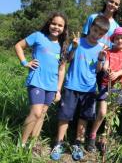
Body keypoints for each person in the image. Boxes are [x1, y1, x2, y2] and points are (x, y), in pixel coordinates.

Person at [50, 15, 110, 161]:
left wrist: (101, 58)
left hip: (89, 88)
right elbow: (68, 60)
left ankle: (78, 143)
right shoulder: (78, 42)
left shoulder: (102, 48)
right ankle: (59, 143)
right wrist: (75, 48)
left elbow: (98, 70)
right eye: (95, 31)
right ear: (90, 28)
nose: (96, 35)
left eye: (100, 34)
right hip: (71, 85)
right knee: (65, 116)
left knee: (84, 117)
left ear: (104, 35)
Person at [15, 12, 69, 147]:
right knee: (36, 112)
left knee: (42, 114)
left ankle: (31, 145)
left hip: (52, 85)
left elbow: (61, 70)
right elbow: (18, 46)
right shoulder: (38, 36)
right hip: (37, 80)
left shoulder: (62, 46)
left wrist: (58, 90)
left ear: (64, 28)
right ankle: (20, 145)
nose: (56, 27)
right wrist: (25, 62)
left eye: (60, 25)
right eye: (54, 24)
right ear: (49, 24)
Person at [86, 27, 122, 152]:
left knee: (112, 115)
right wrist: (108, 70)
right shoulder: (108, 52)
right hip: (105, 85)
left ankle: (104, 139)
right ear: (113, 40)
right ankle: (92, 136)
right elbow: (104, 66)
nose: (120, 40)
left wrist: (117, 74)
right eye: (117, 38)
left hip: (118, 87)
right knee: (102, 112)